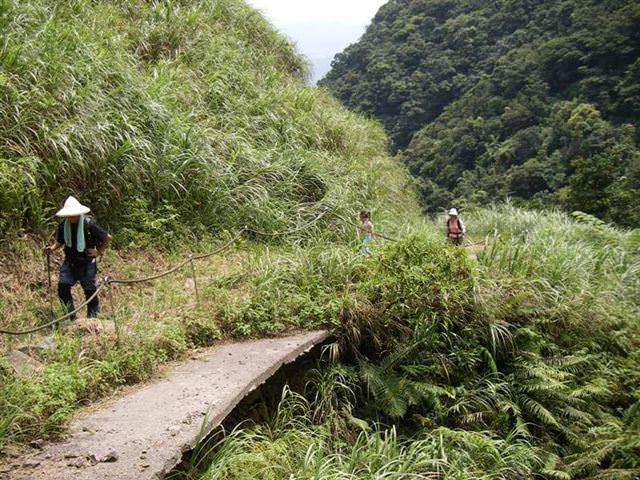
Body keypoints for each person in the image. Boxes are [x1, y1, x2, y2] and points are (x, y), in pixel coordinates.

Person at [44, 196, 111, 320]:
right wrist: (52, 248)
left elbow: (107, 237)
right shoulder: (63, 226)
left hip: (86, 262)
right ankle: (71, 317)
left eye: (73, 215)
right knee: (63, 287)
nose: (71, 217)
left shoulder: (89, 225)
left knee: (89, 290)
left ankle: (93, 319)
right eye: (68, 215)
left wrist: (98, 252)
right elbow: (60, 241)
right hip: (70, 261)